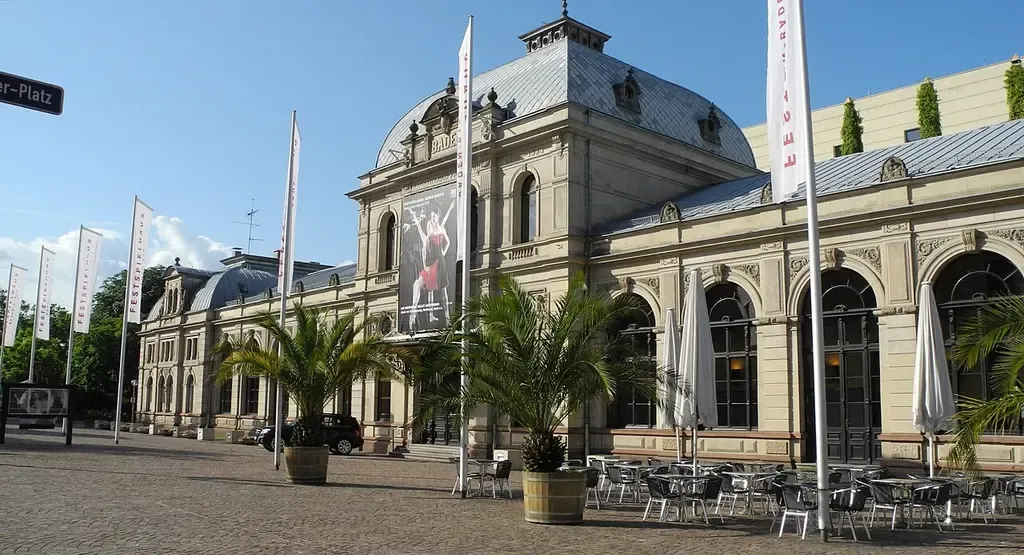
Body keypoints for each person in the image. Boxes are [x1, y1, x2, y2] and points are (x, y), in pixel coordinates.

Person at [407, 199, 455, 329]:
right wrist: (412, 213)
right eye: (428, 224)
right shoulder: (425, 236)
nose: (429, 225)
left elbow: (447, 236)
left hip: (439, 262)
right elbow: (418, 225)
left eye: (433, 219)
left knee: (443, 290)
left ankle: (447, 317)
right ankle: (415, 316)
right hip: (429, 266)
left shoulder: (440, 229)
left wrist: (443, 253)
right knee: (421, 286)